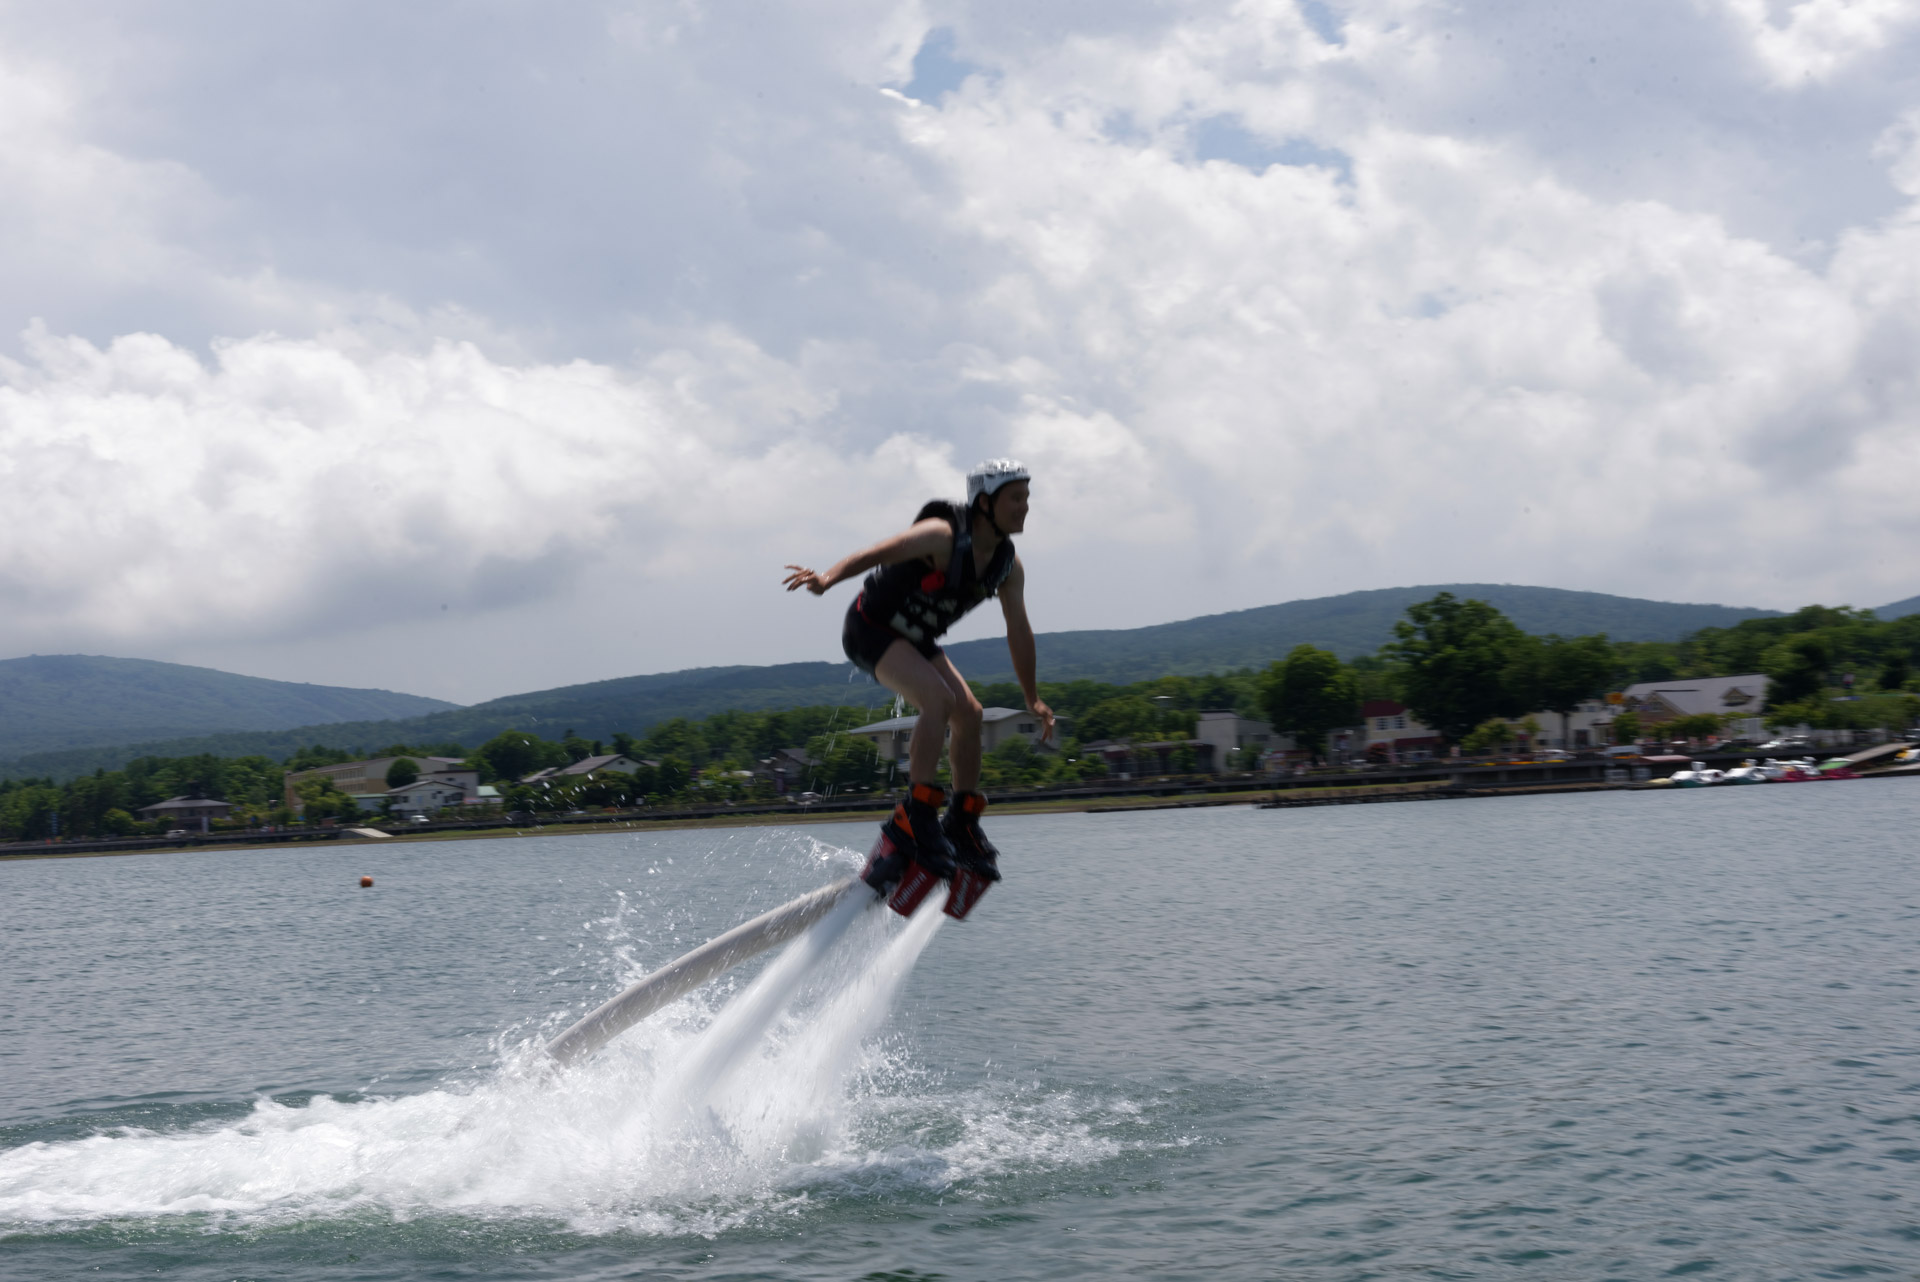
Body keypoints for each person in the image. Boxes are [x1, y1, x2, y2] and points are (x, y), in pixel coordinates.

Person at [783, 459, 1055, 893]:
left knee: (970, 713)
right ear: (985, 502)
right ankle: (916, 814)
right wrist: (826, 579)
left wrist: (1032, 696)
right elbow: (877, 552)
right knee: (939, 701)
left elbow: (1018, 630)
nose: (1025, 507)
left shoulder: (1008, 566)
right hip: (870, 629)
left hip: (917, 640)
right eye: (1016, 498)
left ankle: (962, 821)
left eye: (1027, 497)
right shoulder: (941, 536)